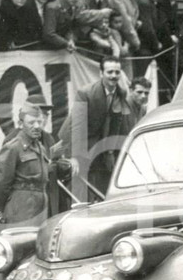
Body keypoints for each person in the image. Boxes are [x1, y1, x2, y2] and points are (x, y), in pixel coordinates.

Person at [57, 58, 133, 197]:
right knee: (79, 186)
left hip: (97, 141)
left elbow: (117, 124)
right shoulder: (85, 93)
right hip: (74, 141)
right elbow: (78, 128)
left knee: (100, 184)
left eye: (117, 72)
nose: (114, 76)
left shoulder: (121, 93)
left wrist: (110, 152)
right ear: (101, 73)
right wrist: (75, 157)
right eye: (110, 72)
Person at [0, 102, 56, 227]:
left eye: (39, 122)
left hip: (41, 205)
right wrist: (3, 207)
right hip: (21, 206)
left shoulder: (40, 147)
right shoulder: (13, 147)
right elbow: (1, 183)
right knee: (21, 243)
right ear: (21, 124)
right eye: (31, 123)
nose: (37, 126)